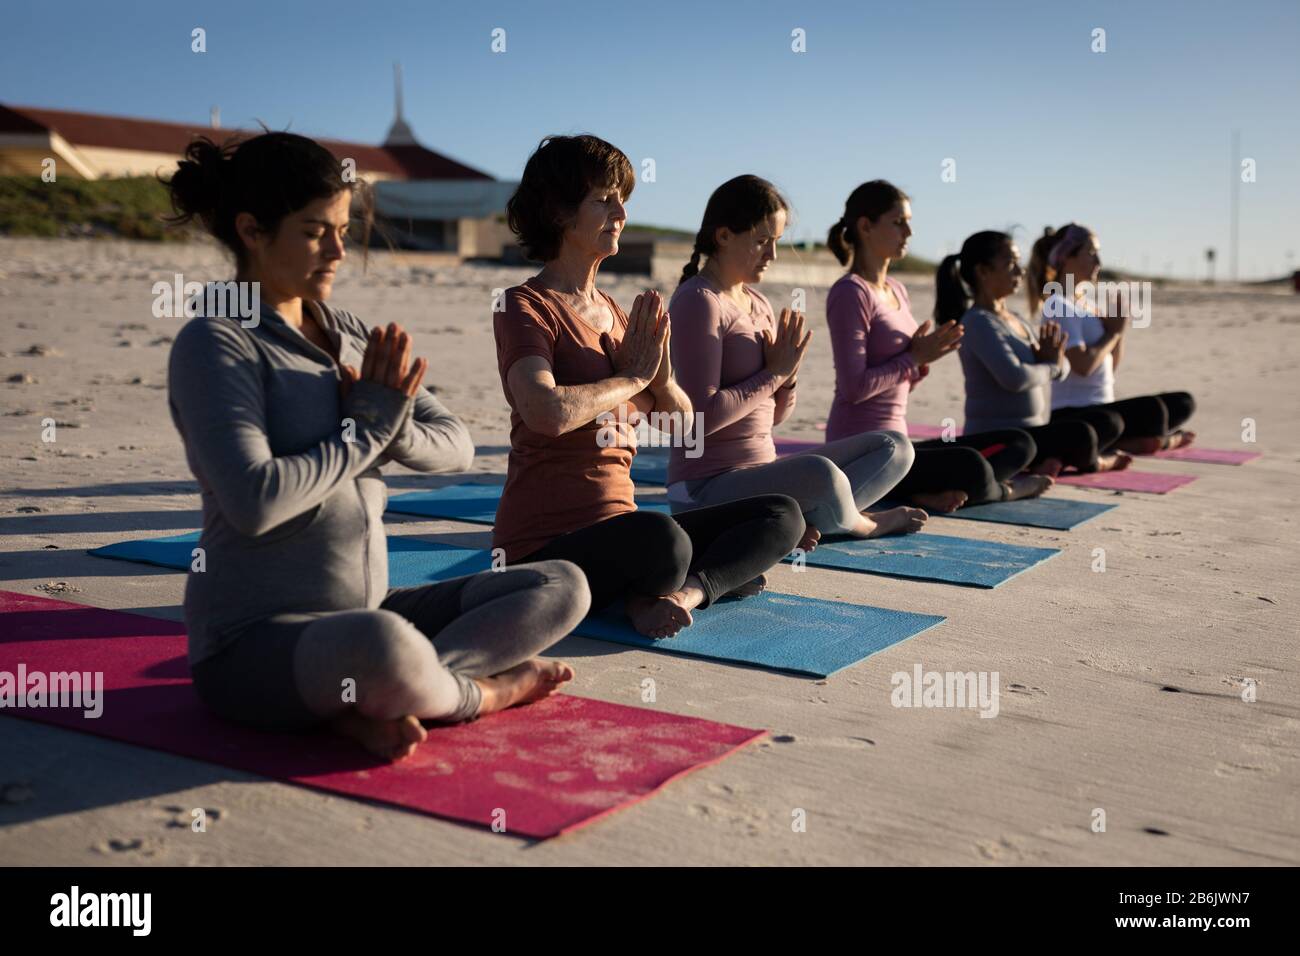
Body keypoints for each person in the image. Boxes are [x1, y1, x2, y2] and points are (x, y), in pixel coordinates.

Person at [165, 131, 587, 761]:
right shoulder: (218, 343)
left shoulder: (355, 335)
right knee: (382, 646)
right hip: (256, 644)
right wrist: (364, 430)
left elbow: (456, 447)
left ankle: (396, 693)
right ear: (252, 230)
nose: (338, 251)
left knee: (564, 583)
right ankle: (478, 694)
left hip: (373, 609)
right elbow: (253, 500)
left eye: (342, 229)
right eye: (314, 232)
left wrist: (386, 426)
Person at [493, 136, 805, 640]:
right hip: (541, 547)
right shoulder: (523, 305)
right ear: (557, 210)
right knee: (662, 538)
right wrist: (632, 379)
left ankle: (685, 591)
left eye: (624, 199)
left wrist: (661, 381)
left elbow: (684, 429)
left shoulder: (620, 316)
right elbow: (545, 411)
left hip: (622, 528)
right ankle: (658, 587)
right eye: (604, 198)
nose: (621, 212)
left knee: (780, 512)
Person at [666, 174, 923, 540]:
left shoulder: (758, 303)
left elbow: (775, 419)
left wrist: (787, 381)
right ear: (723, 236)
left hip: (761, 471)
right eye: (761, 242)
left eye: (777, 242)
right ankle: (861, 523)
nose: (772, 255)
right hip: (703, 489)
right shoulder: (699, 300)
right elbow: (699, 420)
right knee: (823, 475)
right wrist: (773, 374)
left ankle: (803, 523)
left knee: (894, 447)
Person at [825, 180, 1051, 512]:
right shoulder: (851, 292)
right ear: (865, 226)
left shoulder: (896, 289)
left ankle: (906, 492)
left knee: (1018, 444)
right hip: (863, 451)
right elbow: (853, 388)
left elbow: (900, 380)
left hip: (899, 445)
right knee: (970, 466)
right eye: (899, 222)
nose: (909, 232)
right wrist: (913, 358)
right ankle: (1002, 492)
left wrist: (920, 361)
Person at [937, 229, 1132, 474]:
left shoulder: (1017, 320)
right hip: (995, 435)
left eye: (1019, 262)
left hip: (1033, 430)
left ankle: (1042, 463)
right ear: (983, 271)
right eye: (1011, 264)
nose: (1021, 271)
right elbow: (1015, 378)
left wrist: (1050, 364)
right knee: (1035, 444)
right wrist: (1049, 365)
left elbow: (1064, 367)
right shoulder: (977, 322)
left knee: (1085, 431)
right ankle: (1062, 463)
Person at [1026, 223, 1196, 455]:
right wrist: (1112, 333)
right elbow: (1083, 365)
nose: (1099, 262)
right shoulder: (1058, 304)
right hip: (1073, 413)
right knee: (1152, 411)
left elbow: (1109, 367)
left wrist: (1119, 331)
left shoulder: (1088, 305)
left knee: (1183, 402)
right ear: (1067, 258)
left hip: (1103, 408)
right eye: (1091, 252)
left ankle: (1128, 440)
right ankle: (1134, 440)